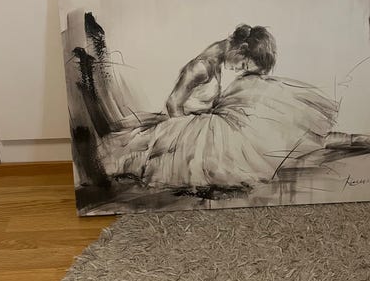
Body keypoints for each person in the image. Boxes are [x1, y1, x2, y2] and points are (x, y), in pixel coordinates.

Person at [117, 24, 341, 191]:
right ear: (241, 48)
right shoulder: (200, 67)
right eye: (243, 64)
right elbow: (172, 104)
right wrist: (182, 139)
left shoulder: (217, 59)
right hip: (186, 125)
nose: (239, 69)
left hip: (205, 121)